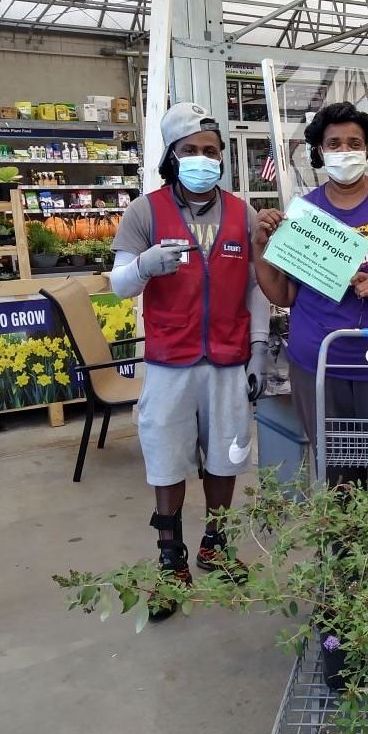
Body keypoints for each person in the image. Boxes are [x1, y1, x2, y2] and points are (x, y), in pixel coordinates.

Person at [110, 102, 270, 620]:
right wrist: (143, 266)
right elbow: (116, 286)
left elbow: (257, 290)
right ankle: (170, 557)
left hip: (228, 358)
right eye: (191, 151)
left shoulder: (243, 213)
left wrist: (260, 349)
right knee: (166, 458)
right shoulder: (145, 211)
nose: (203, 159)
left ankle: (215, 545)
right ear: (172, 156)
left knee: (226, 457)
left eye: (211, 152)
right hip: (169, 361)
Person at [251, 101, 368, 486]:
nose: (345, 152)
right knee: (338, 477)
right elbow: (285, 293)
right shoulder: (304, 213)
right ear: (319, 153)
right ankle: (340, 549)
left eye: (354, 143)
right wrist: (260, 246)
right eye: (334, 144)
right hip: (319, 363)